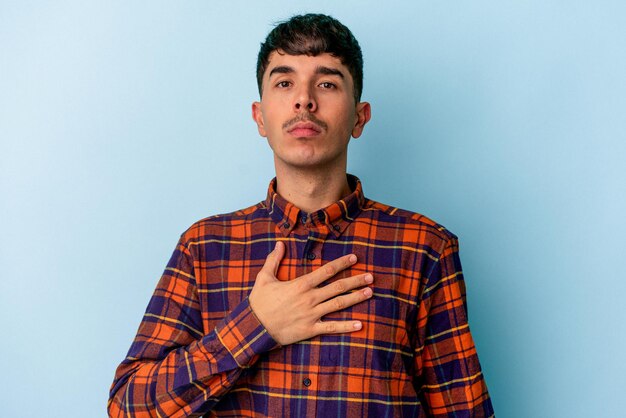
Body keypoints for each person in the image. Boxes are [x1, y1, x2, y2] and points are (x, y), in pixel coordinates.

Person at [108, 13, 494, 417]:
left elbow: (463, 410)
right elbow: (129, 407)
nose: (304, 99)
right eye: (284, 82)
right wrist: (257, 325)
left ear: (360, 117)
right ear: (260, 117)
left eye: (326, 83)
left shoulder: (425, 248)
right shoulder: (204, 247)